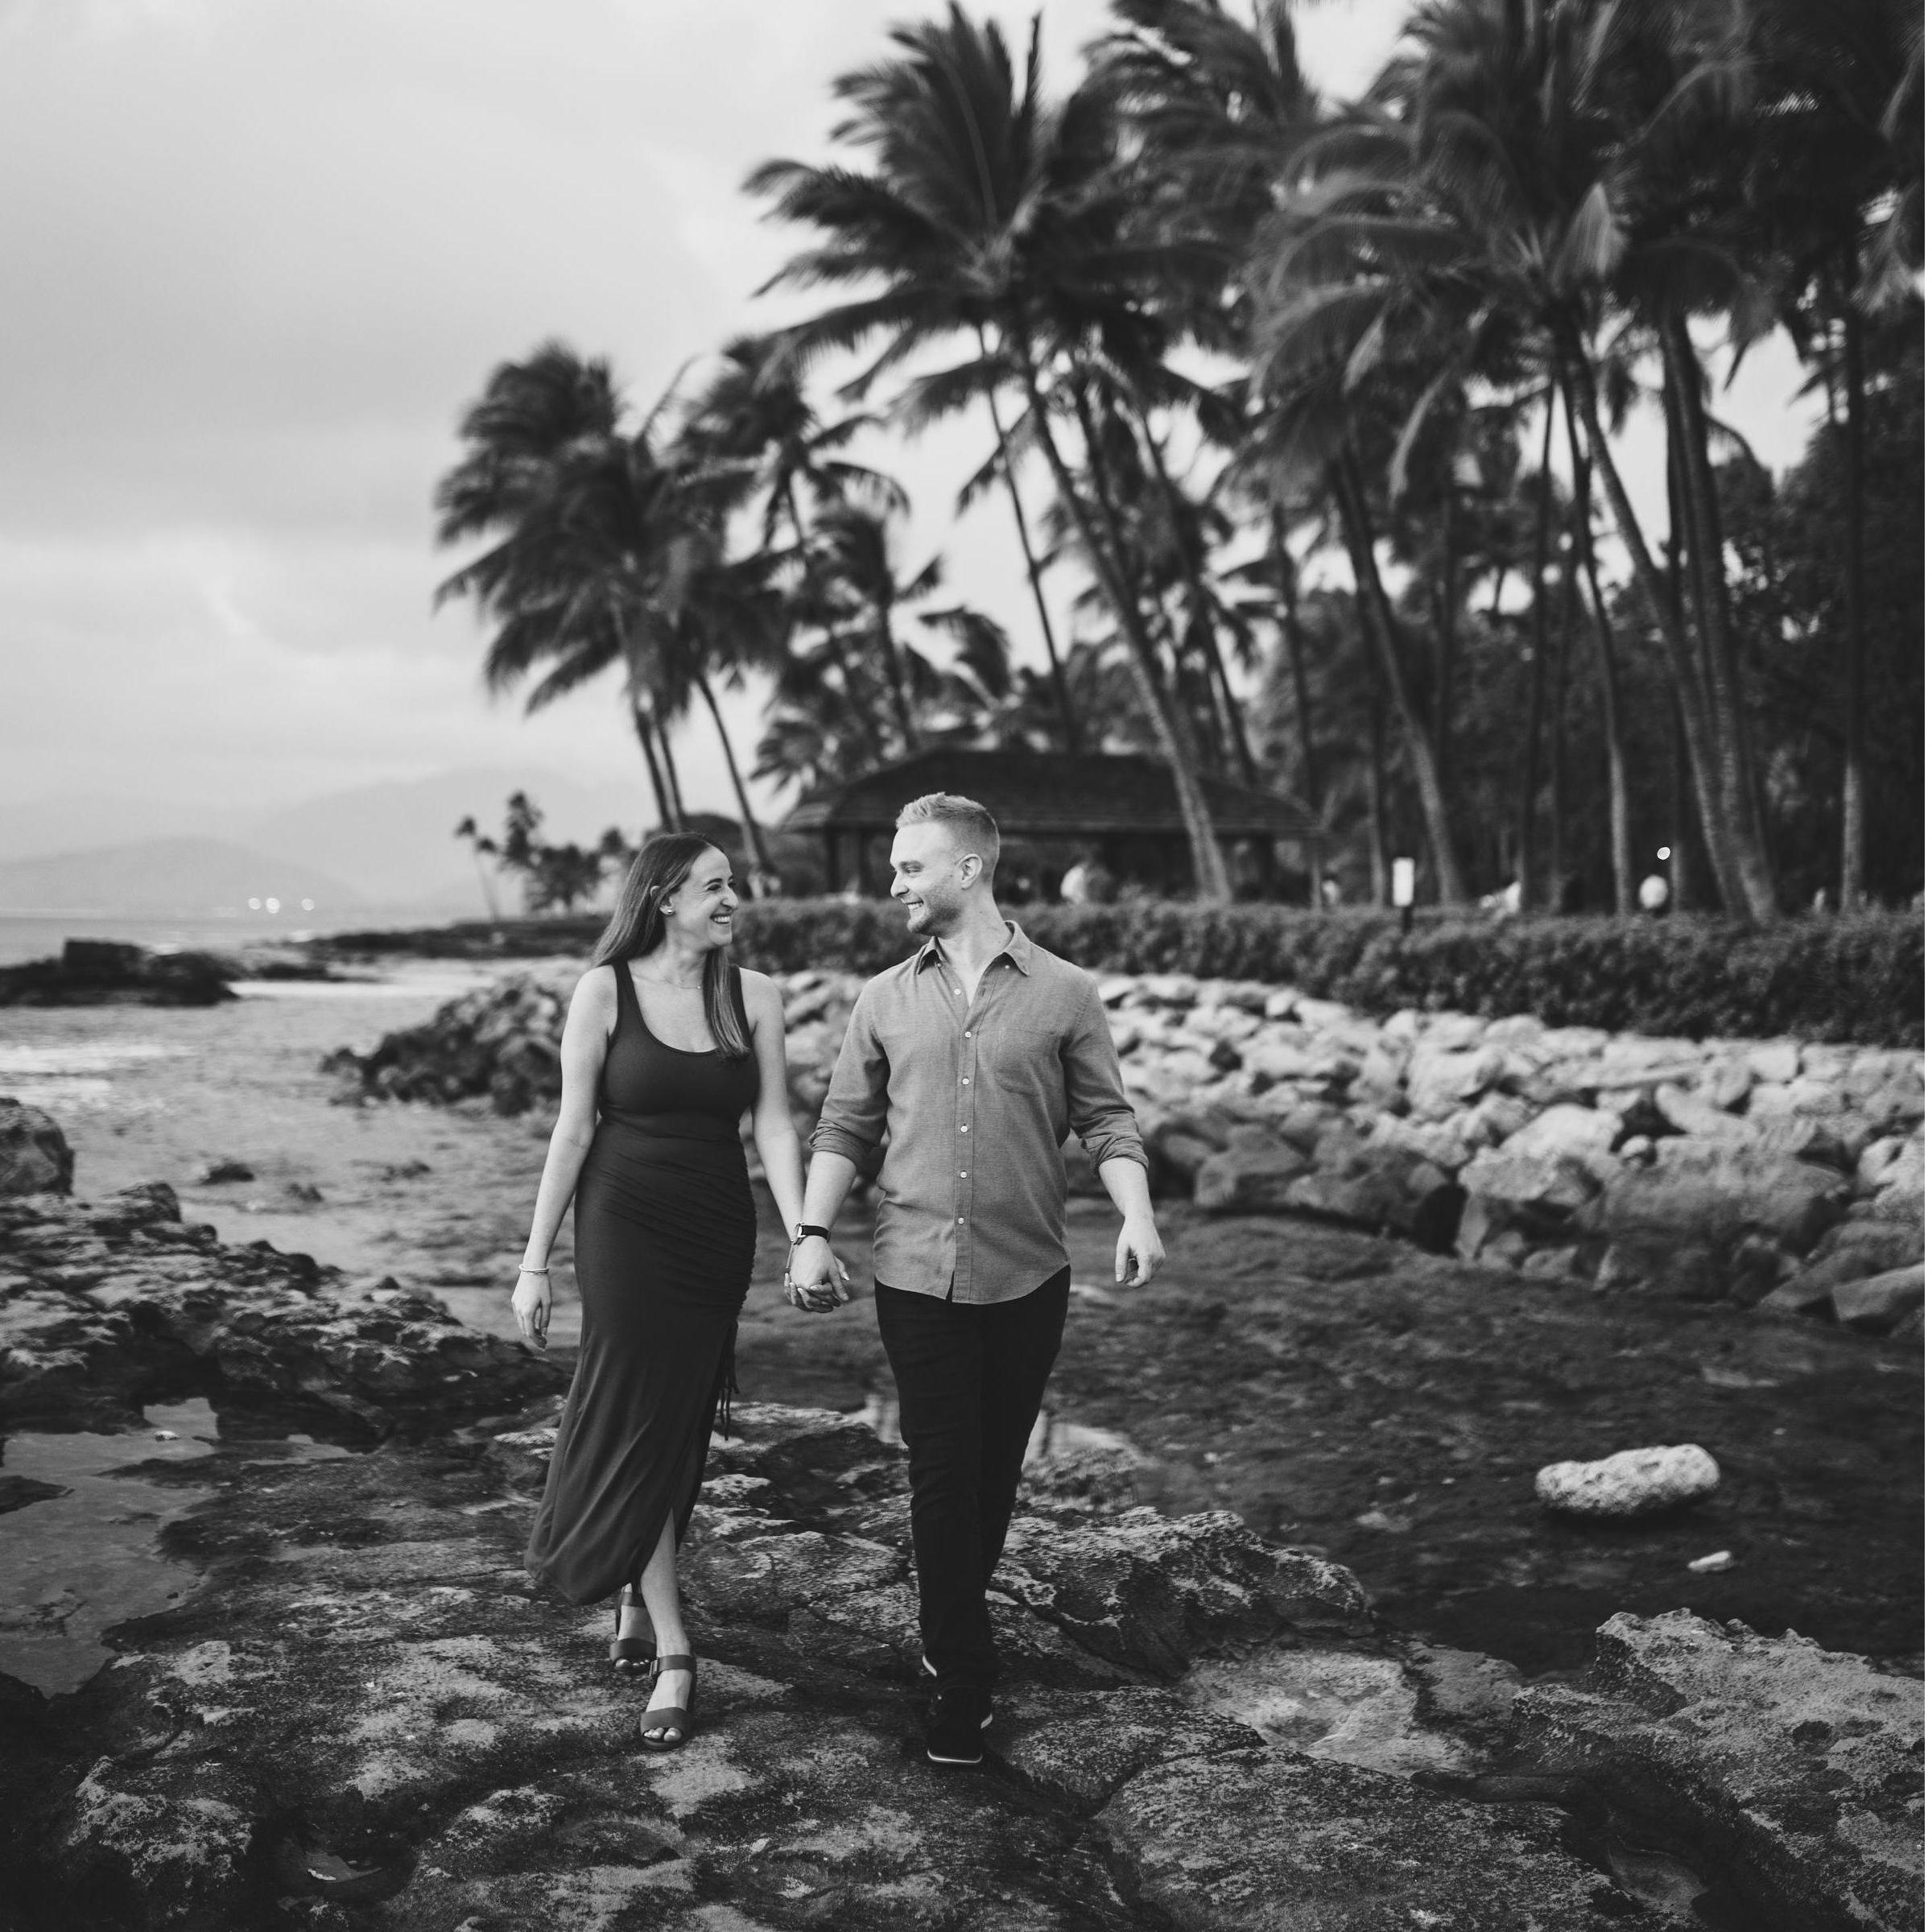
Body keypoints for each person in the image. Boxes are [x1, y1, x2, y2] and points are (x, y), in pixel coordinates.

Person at [787, 792, 1164, 1767]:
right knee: (943, 1468)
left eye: (909, 868)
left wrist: (1136, 1213)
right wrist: (811, 1232)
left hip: (1029, 1273)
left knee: (995, 1473)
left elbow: (1107, 1121)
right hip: (913, 1273)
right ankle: (962, 1673)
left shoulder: (1066, 993)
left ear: (968, 869)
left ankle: (946, 1621)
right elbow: (844, 1128)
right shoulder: (882, 998)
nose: (894, 886)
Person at [514, 832, 811, 1752]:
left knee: (678, 1421)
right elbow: (572, 1131)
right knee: (636, 1415)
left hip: (715, 1229)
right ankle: (678, 1650)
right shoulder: (604, 991)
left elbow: (773, 1124)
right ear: (665, 898)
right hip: (623, 1224)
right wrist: (535, 1262)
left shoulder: (755, 995)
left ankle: (637, 1607)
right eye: (714, 886)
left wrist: (806, 1236)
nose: (732, 900)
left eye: (733, 885)